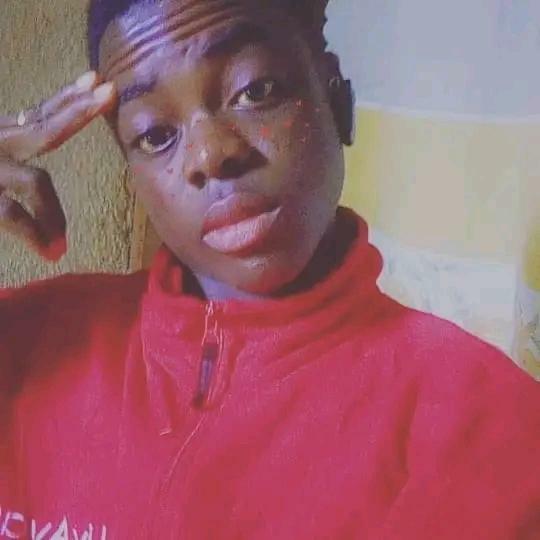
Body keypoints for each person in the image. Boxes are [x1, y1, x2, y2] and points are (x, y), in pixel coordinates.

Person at [0, 1, 539, 538]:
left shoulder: (490, 429)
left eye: (255, 90)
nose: (210, 154)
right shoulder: (31, 344)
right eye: (156, 135)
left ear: (332, 92)